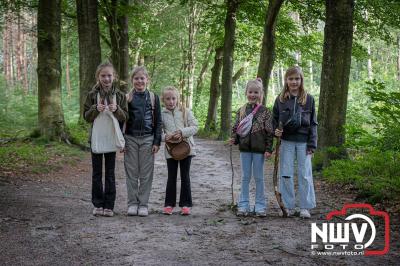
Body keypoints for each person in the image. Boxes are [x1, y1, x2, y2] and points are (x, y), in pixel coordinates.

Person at [83, 62, 128, 217]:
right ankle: (97, 204)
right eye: (103, 75)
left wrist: (117, 110)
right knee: (96, 173)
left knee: (110, 173)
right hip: (96, 139)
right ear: (98, 77)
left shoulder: (120, 95)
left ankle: (109, 206)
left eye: (109, 75)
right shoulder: (91, 95)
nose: (107, 78)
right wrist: (95, 109)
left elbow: (126, 117)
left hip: (111, 138)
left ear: (114, 76)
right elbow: (86, 117)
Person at [272, 66, 317, 219]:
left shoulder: (309, 99)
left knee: (305, 175)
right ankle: (287, 205)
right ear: (286, 80)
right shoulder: (280, 99)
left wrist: (312, 144)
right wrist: (275, 131)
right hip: (286, 142)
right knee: (286, 174)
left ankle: (305, 206)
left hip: (304, 142)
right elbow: (274, 120)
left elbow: (313, 123)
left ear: (301, 80)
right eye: (291, 79)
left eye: (297, 79)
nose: (294, 82)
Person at [230, 78, 274, 217]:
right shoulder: (241, 110)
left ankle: (260, 206)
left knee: (259, 177)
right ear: (246, 93)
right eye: (250, 92)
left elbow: (269, 132)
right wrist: (234, 139)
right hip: (245, 149)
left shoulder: (265, 112)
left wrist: (268, 149)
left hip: (259, 150)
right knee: (245, 177)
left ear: (261, 94)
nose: (253, 95)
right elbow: (236, 128)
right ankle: (243, 204)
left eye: (256, 92)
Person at [124, 66, 162, 217]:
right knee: (132, 173)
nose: (139, 81)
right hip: (130, 138)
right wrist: (122, 141)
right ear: (132, 80)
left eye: (142, 78)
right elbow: (122, 121)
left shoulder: (153, 97)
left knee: (146, 174)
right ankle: (132, 203)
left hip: (148, 139)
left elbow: (158, 121)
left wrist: (157, 141)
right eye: (136, 78)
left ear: (147, 80)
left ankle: (143, 204)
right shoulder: (127, 97)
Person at [160, 86, 198, 215]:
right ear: (163, 100)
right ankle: (169, 204)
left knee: (185, 176)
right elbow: (158, 133)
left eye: (173, 98)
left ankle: (186, 205)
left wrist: (182, 132)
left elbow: (195, 127)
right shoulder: (161, 115)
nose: (171, 101)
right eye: (168, 99)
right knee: (171, 177)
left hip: (186, 149)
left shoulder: (185, 111)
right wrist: (166, 137)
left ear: (178, 99)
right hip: (171, 150)